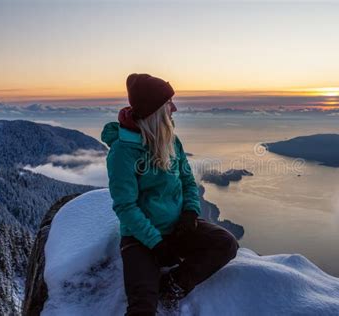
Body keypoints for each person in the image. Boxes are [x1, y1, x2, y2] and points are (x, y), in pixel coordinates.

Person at [101, 73, 239, 316]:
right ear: (154, 111)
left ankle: (172, 287)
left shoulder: (171, 141)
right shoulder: (123, 153)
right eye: (168, 104)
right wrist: (156, 243)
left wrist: (190, 211)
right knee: (142, 307)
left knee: (226, 244)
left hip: (176, 227)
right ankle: (155, 288)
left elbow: (186, 179)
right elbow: (125, 207)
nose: (173, 108)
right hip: (140, 238)